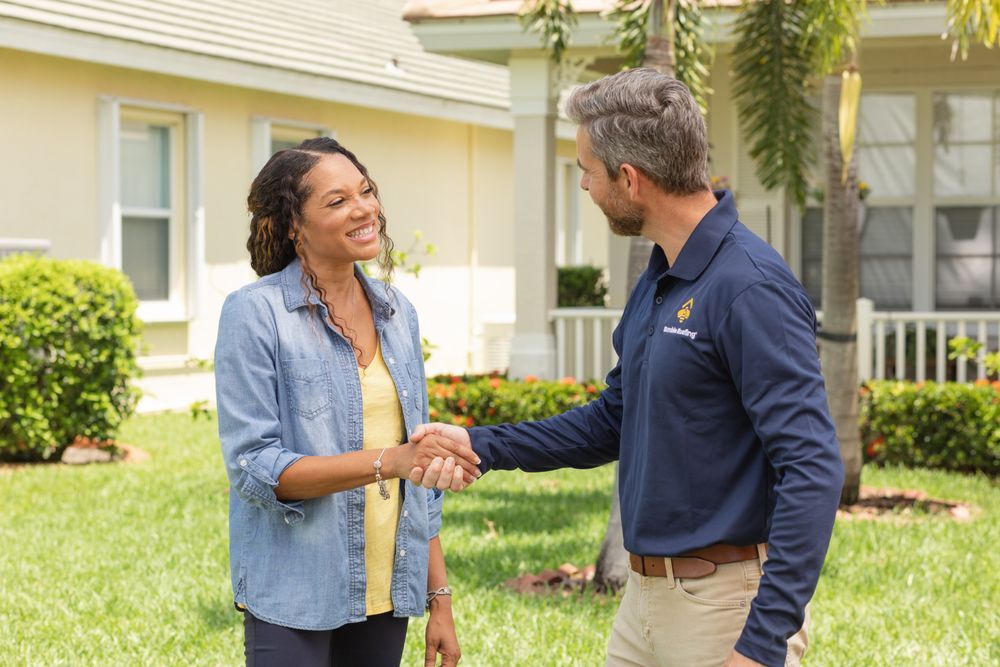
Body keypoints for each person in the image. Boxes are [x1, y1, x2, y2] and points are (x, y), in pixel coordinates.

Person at [410, 69, 844, 667]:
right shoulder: (664, 272)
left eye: (587, 169)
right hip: (644, 603)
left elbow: (813, 467)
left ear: (630, 179)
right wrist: (480, 443)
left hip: (724, 610)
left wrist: (762, 643)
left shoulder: (749, 287)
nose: (584, 184)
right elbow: (616, 417)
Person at [215, 137, 480, 667]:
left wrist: (440, 599)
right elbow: (256, 467)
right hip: (296, 587)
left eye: (365, 191)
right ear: (295, 225)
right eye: (336, 201)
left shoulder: (396, 312)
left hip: (389, 585)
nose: (363, 209)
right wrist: (389, 461)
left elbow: (420, 475)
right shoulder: (255, 313)